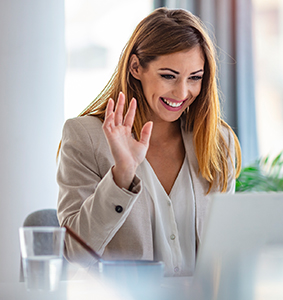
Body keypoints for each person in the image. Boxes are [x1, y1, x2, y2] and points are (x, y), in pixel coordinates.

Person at [57, 7, 241, 277]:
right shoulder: (86, 137)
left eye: (195, 78)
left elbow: (227, 251)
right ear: (135, 67)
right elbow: (75, 254)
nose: (182, 92)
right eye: (168, 76)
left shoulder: (217, 140)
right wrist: (122, 175)